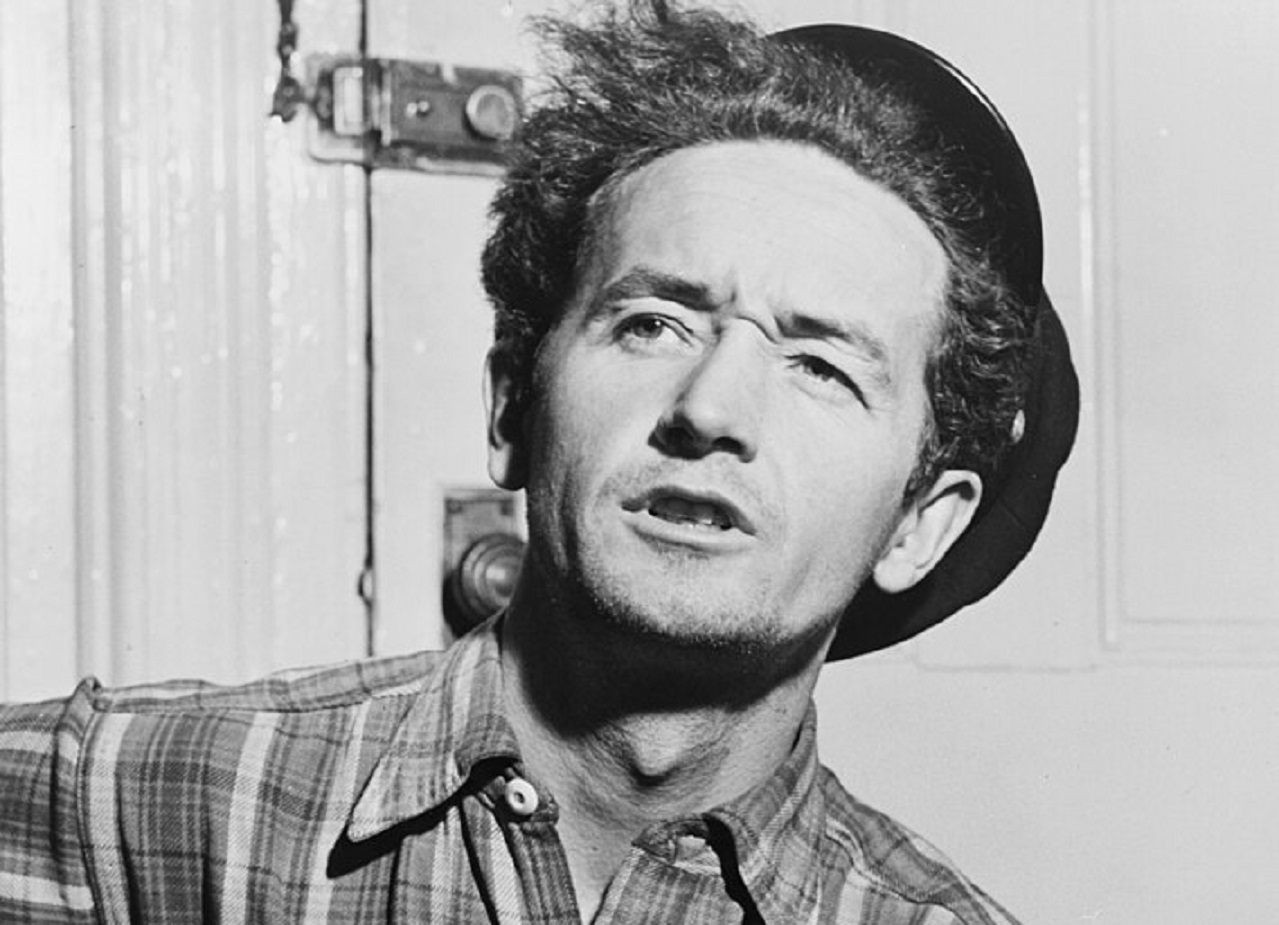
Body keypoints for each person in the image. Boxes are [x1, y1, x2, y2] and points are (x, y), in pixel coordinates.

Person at [0, 1, 1077, 922]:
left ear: (920, 523)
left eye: (820, 367)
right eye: (652, 323)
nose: (709, 409)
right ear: (513, 403)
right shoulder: (120, 806)